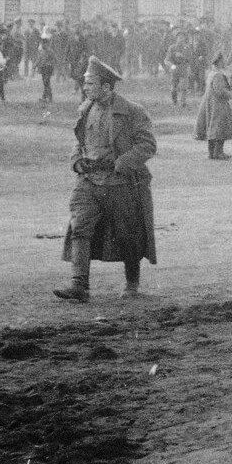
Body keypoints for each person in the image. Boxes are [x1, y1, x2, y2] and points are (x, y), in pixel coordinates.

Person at [56, 58, 158, 301]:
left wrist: (123, 163)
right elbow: (79, 142)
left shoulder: (132, 112)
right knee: (80, 227)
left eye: (90, 83)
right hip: (88, 180)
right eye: (85, 83)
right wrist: (76, 161)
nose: (85, 87)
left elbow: (147, 145)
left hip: (120, 183)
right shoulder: (86, 109)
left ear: (107, 87)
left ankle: (132, 284)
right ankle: (79, 285)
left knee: (127, 234)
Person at [195, 54, 232, 160]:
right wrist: (231, 94)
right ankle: (218, 152)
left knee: (211, 128)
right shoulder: (218, 75)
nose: (224, 63)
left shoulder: (211, 73)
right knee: (220, 128)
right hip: (217, 105)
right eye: (223, 61)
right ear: (218, 62)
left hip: (209, 103)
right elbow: (220, 91)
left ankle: (211, 153)